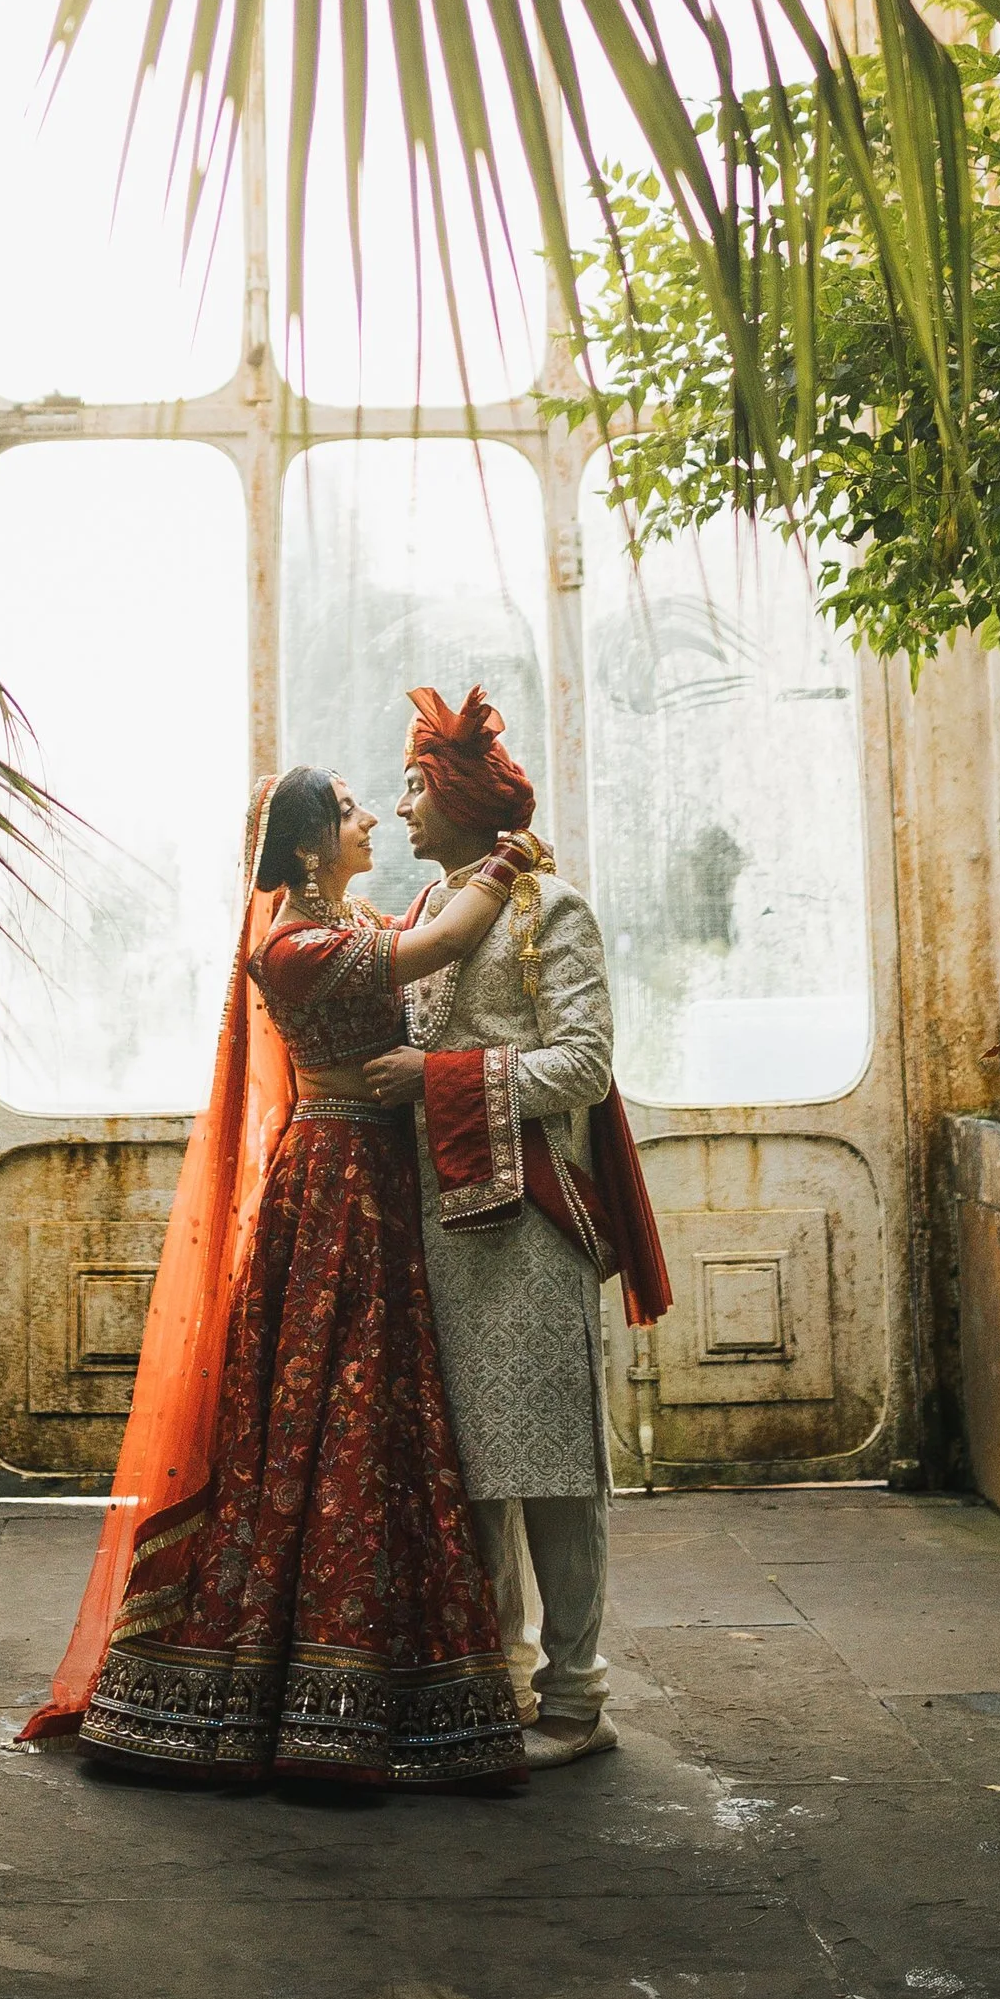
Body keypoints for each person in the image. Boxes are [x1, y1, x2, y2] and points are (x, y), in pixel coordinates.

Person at [20, 767, 530, 1786]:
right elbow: (435, 946)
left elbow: (423, 944)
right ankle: (298, 1697)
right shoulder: (290, 949)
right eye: (347, 813)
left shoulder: (346, 921)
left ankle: (381, 1687)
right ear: (305, 848)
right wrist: (511, 857)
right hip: (336, 1185)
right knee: (326, 1416)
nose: (371, 818)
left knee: (383, 1415)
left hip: (381, 1181)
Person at [364, 684, 673, 1772]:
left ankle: (575, 1702)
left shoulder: (554, 911)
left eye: (413, 788)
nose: (399, 809)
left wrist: (434, 1078)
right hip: (437, 1233)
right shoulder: (419, 919)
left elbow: (584, 1067)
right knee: (471, 1471)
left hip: (534, 1230)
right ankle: (486, 1682)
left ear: (455, 798)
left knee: (550, 1470)